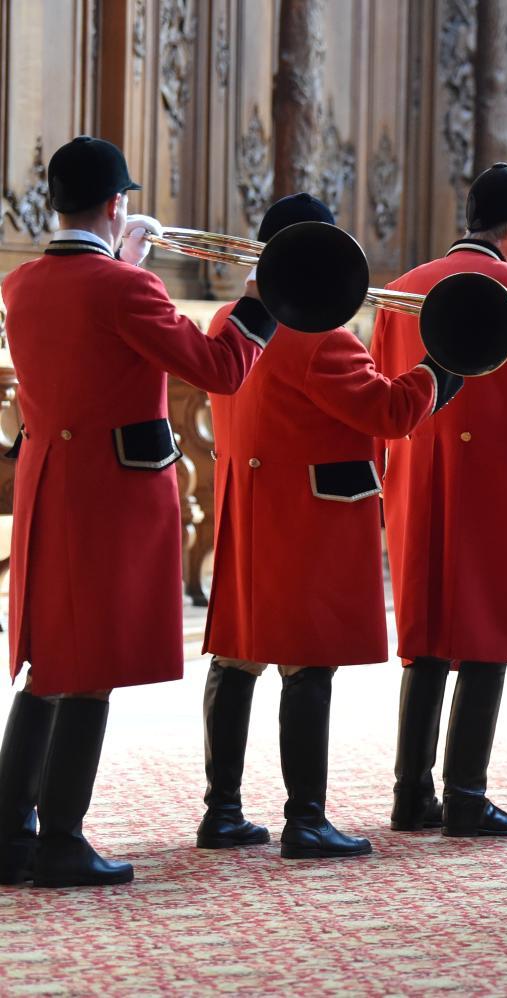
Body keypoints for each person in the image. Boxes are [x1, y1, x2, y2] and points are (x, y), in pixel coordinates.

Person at [0, 136, 275, 886]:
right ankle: (61, 840)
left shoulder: (23, 283)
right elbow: (217, 368)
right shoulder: (124, 289)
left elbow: (93, 323)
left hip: (50, 485)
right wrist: (256, 305)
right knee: (90, 669)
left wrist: (126, 264)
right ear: (118, 203)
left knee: (47, 663)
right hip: (110, 496)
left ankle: (11, 834)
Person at [197, 194, 462, 860]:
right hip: (305, 520)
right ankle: (305, 820)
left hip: (248, 512)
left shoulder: (233, 320)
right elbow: (392, 412)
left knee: (237, 659)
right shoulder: (318, 337)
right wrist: (446, 365)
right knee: (308, 667)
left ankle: (222, 811)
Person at [370, 163, 507, 839]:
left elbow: (382, 382)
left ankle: (412, 796)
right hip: (502, 483)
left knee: (429, 636)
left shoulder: (403, 288)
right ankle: (466, 794)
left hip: (420, 478)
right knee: (487, 632)